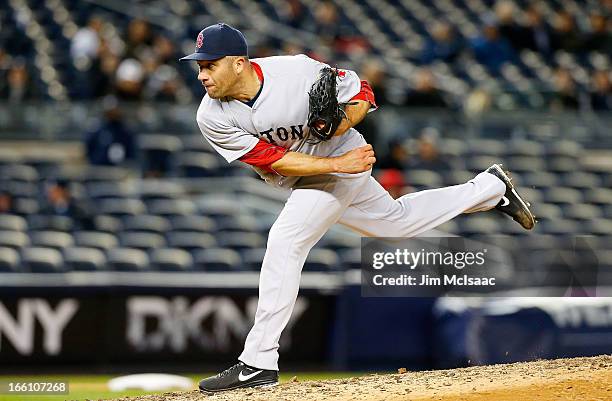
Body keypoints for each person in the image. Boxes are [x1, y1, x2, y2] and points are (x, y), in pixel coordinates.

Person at [180, 22, 536, 393]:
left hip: (340, 157)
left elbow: (362, 91)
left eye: (210, 64)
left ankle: (257, 362)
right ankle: (491, 188)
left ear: (238, 63)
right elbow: (275, 161)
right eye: (200, 66)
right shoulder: (211, 116)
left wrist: (343, 124)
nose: (203, 74)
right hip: (325, 167)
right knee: (396, 222)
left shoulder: (295, 71)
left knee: (286, 242)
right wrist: (338, 164)